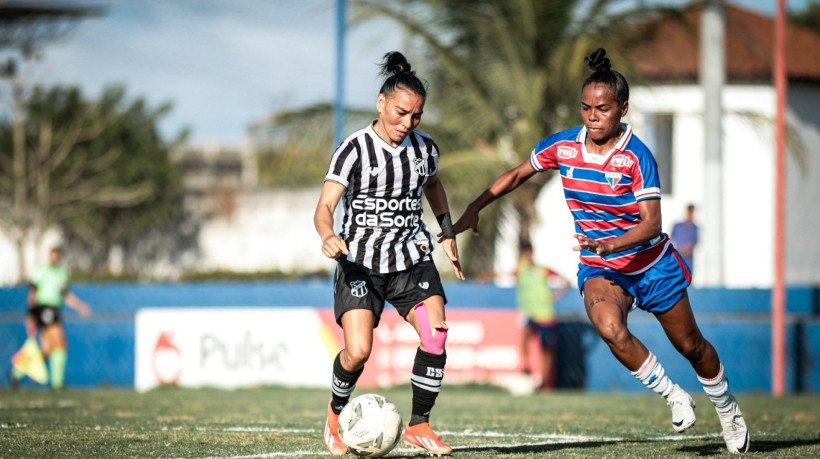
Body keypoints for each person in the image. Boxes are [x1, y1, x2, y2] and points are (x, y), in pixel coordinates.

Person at [451, 48, 749, 453]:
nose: (593, 116)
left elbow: (653, 223)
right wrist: (474, 206)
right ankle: (674, 396)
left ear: (622, 109)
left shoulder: (636, 156)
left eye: (603, 109)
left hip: (651, 265)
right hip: (600, 266)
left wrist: (610, 243)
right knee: (609, 327)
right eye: (586, 108)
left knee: (690, 346)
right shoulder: (564, 147)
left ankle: (727, 408)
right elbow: (520, 173)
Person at [314, 51, 464, 456]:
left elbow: (433, 185)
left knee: (436, 336)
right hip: (360, 264)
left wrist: (447, 231)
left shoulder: (425, 149)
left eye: (416, 116)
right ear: (381, 103)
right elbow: (325, 206)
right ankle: (335, 414)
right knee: (358, 351)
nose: (407, 123)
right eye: (400, 113)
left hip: (411, 259)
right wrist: (328, 235)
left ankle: (419, 425)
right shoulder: (354, 149)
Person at [10, 246, 91, 390]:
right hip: (44, 309)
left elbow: (64, 295)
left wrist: (79, 306)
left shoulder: (61, 274)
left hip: (55, 310)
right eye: (52, 255)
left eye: (57, 256)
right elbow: (33, 292)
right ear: (49, 256)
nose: (54, 258)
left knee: (47, 349)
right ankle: (57, 383)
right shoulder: (41, 270)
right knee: (60, 343)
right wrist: (31, 314)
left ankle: (17, 372)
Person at [515, 241, 568, 391]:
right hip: (529, 313)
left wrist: (555, 296)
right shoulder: (521, 270)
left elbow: (565, 281)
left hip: (545, 315)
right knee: (524, 336)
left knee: (546, 349)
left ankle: (544, 383)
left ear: (532, 253)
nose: (526, 256)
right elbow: (503, 274)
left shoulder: (543, 270)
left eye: (528, 253)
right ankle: (526, 368)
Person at [670, 203, 699, 273]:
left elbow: (693, 244)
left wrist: (684, 251)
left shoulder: (694, 228)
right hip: (677, 261)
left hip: (688, 262)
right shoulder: (677, 226)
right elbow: (671, 240)